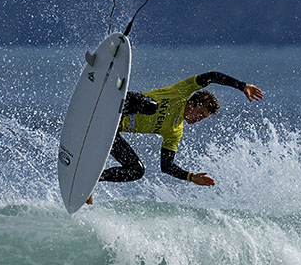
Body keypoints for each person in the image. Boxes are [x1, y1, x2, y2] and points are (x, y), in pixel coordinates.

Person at [88, 72, 264, 200]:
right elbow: (212, 76)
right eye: (200, 113)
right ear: (193, 103)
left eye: (203, 118)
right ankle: (108, 101)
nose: (199, 119)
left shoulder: (175, 131)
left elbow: (166, 165)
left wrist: (191, 177)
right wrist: (242, 86)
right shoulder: (181, 92)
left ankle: (91, 180)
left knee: (137, 171)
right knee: (151, 106)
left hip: (111, 132)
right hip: (118, 105)